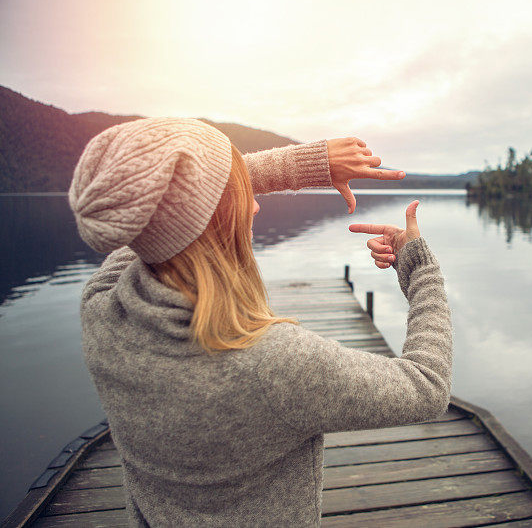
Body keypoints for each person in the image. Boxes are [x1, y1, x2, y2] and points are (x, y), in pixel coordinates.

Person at [68, 117, 453, 527]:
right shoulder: (273, 364)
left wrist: (310, 164)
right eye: (238, 193)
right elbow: (426, 385)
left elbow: (164, 214)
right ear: (216, 217)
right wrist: (419, 267)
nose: (254, 203)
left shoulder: (104, 311)